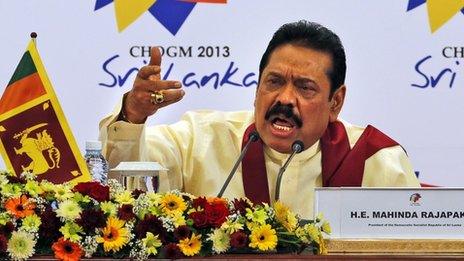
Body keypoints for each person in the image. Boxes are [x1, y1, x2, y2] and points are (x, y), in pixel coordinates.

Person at [99, 20, 420, 219]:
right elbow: (124, 184)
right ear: (256, 88)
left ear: (335, 101)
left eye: (305, 88)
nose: (284, 99)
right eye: (275, 81)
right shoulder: (200, 139)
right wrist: (134, 115)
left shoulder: (377, 162)